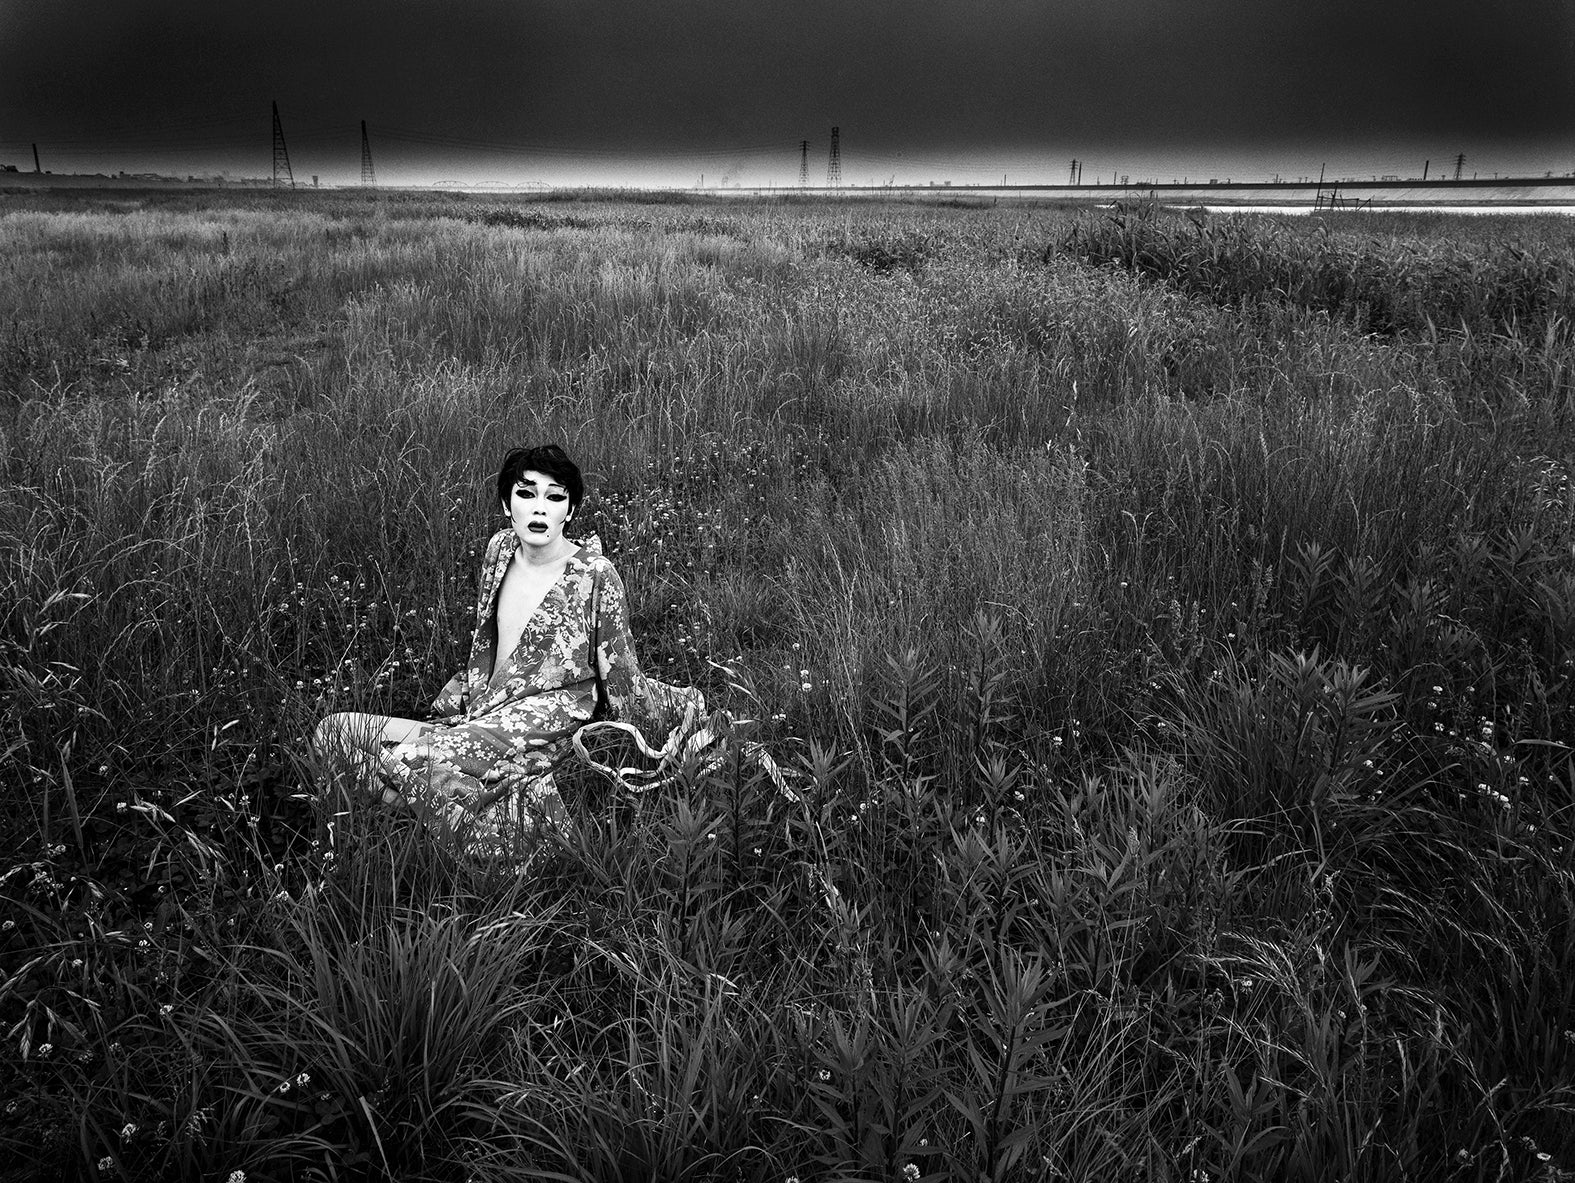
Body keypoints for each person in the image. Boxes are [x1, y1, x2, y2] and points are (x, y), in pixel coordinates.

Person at [312, 444, 698, 854]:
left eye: (554, 497)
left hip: (539, 719)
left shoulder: (595, 575)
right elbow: (487, 640)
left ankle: (430, 822)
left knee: (401, 764)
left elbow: (621, 675)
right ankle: (440, 813)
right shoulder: (500, 551)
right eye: (527, 493)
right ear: (506, 503)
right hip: (481, 710)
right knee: (332, 732)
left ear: (569, 511)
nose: (539, 509)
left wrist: (645, 732)